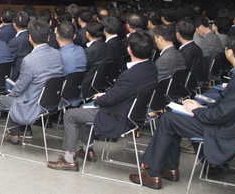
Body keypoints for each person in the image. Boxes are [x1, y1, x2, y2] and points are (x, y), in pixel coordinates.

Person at [129, 32, 235, 189]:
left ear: (230, 52)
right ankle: (170, 168)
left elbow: (221, 115)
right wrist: (201, 108)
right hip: (232, 125)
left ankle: (153, 173)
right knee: (172, 118)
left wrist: (197, 110)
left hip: (227, 130)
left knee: (168, 119)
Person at [47, 30, 159, 171]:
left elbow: (111, 99)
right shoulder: (152, 68)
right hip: (135, 112)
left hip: (118, 116)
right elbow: (123, 92)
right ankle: (87, 150)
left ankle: (70, 160)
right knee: (83, 110)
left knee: (71, 115)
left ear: (129, 49)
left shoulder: (130, 75)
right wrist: (106, 96)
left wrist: (99, 100)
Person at [0, 20, 64, 150]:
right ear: (48, 38)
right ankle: (13, 135)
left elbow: (20, 88)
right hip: (50, 102)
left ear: (30, 38)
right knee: (16, 97)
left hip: (32, 104)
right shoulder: (58, 54)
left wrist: (12, 92)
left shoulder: (29, 60)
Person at [81, 20, 112, 98]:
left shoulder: (88, 51)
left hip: (88, 86)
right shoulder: (110, 46)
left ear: (87, 34)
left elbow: (82, 70)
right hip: (104, 82)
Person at [8, 11, 33, 80]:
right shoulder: (32, 37)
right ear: (28, 25)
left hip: (17, 77)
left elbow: (9, 61)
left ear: (14, 25)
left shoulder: (14, 42)